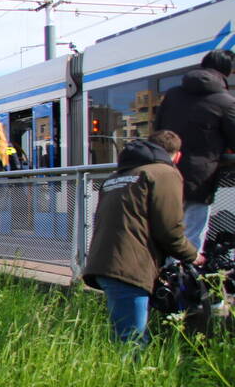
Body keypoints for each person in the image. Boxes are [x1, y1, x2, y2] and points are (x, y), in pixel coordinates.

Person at [83, 130, 205, 344]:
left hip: (107, 262)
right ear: (177, 156)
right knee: (131, 340)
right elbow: (169, 229)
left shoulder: (116, 176)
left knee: (125, 334)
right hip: (129, 265)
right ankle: (129, 368)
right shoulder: (164, 173)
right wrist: (192, 255)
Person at [153, 49, 235, 251]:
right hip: (200, 179)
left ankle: (167, 270)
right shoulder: (225, 101)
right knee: (191, 237)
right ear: (227, 71)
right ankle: (185, 271)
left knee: (166, 234)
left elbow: (157, 131)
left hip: (165, 174)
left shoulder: (172, 95)